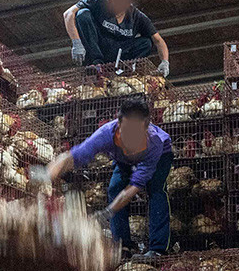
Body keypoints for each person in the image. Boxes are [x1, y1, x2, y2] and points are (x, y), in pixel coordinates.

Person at [45, 97, 173, 257]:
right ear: (119, 124)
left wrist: (108, 212)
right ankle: (123, 246)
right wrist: (46, 177)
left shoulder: (155, 143)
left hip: (159, 157)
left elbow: (135, 186)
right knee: (115, 188)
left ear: (146, 127)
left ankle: (157, 248)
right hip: (123, 158)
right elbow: (73, 156)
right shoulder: (106, 133)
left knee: (156, 191)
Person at [64, 0, 169, 75]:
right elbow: (68, 13)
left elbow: (159, 41)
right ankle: (96, 65)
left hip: (118, 56)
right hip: (96, 49)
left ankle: (124, 72)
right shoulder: (98, 1)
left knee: (146, 42)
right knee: (83, 14)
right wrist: (76, 43)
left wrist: (165, 62)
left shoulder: (136, 16)